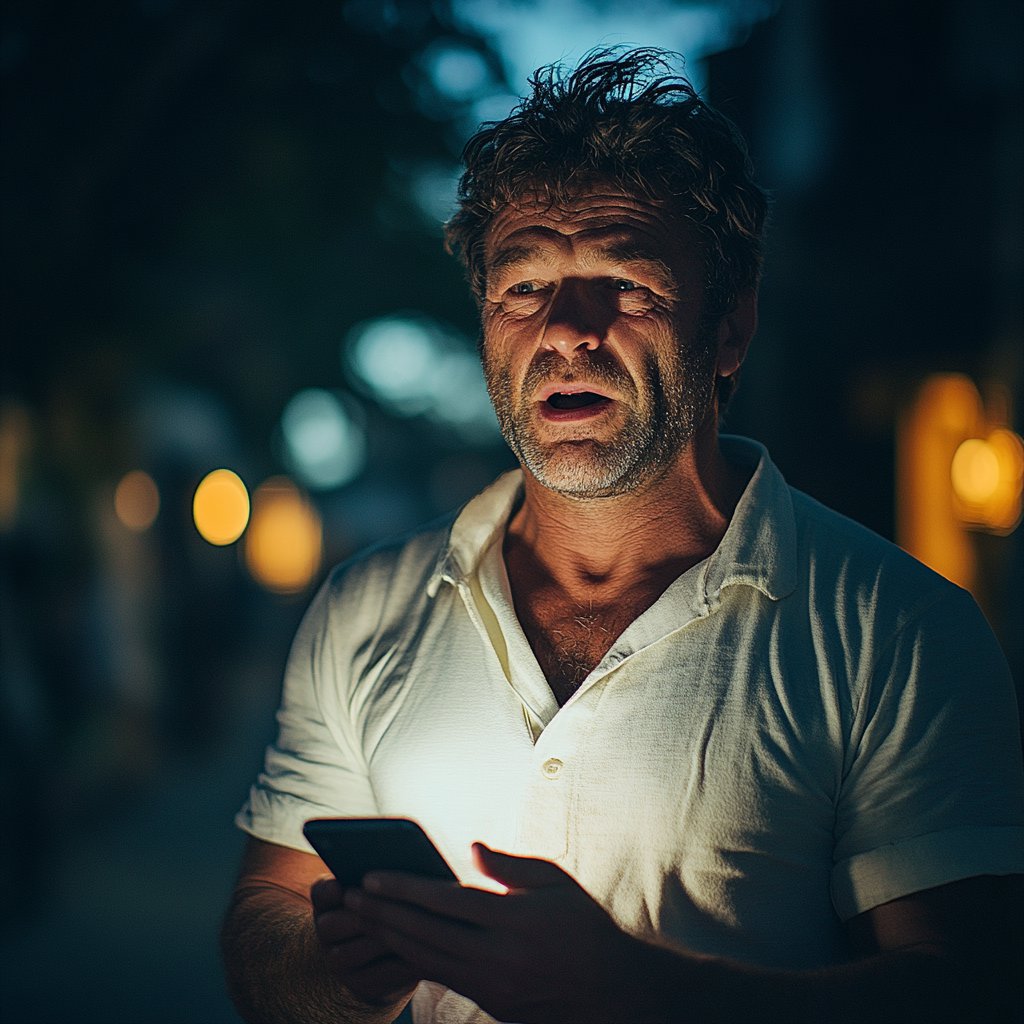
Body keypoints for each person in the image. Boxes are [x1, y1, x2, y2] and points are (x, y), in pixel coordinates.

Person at [221, 49, 1024, 1024]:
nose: (567, 329)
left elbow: (965, 993)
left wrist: (637, 994)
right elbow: (263, 937)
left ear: (728, 329)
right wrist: (345, 965)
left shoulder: (895, 630)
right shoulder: (361, 610)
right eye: (523, 289)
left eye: (624, 283)